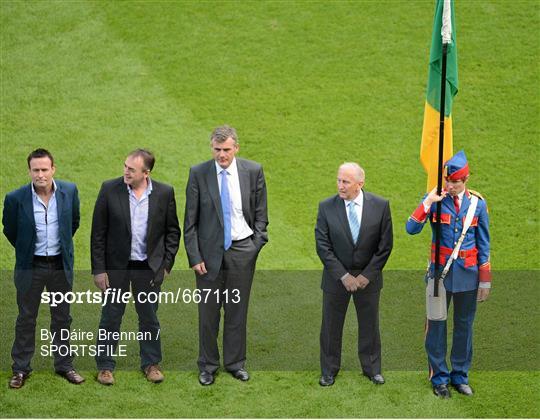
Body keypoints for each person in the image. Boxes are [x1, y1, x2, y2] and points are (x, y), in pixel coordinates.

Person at [184, 125, 268, 386]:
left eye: (227, 150)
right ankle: (207, 366)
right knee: (208, 315)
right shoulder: (198, 173)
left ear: (236, 148)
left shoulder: (253, 171)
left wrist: (256, 244)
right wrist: (195, 256)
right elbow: (190, 222)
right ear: (212, 148)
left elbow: (261, 214)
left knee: (237, 312)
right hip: (208, 257)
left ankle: (235, 363)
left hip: (243, 251)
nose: (222, 154)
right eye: (217, 149)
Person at [406, 150, 491, 398]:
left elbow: (484, 243)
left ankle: (460, 376)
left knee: (464, 327)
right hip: (438, 277)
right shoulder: (436, 200)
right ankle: (439, 378)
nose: (451, 186)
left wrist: (485, 280)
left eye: (456, 182)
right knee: (437, 327)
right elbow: (411, 228)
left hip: (468, 277)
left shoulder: (478, 204)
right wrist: (428, 201)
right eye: (448, 181)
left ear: (466, 180)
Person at [91, 149, 180, 385]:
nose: (126, 172)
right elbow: (98, 233)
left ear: (146, 173)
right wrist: (99, 270)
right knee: (111, 316)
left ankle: (151, 364)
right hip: (115, 268)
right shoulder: (109, 189)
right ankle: (105, 366)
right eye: (125, 166)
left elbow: (173, 231)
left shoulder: (164, 192)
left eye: (131, 169)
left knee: (149, 317)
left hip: (148, 268)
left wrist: (166, 265)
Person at [2, 148, 84, 388]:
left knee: (62, 318)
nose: (40, 174)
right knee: (26, 318)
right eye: (35, 170)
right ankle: (20, 369)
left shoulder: (69, 191)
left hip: (60, 265)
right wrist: (27, 249)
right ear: (29, 171)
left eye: (44, 169)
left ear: (53, 169)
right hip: (31, 267)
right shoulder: (15, 198)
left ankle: (65, 365)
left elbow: (74, 223)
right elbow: (10, 230)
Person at [315, 162, 393, 387]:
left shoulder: (380, 206)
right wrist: (344, 276)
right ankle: (328, 370)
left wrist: (366, 276)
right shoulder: (326, 207)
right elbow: (323, 246)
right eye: (339, 180)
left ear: (360, 183)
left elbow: (385, 246)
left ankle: (371, 369)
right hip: (335, 278)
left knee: (369, 325)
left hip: (368, 279)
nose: (340, 186)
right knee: (331, 326)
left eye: (346, 182)